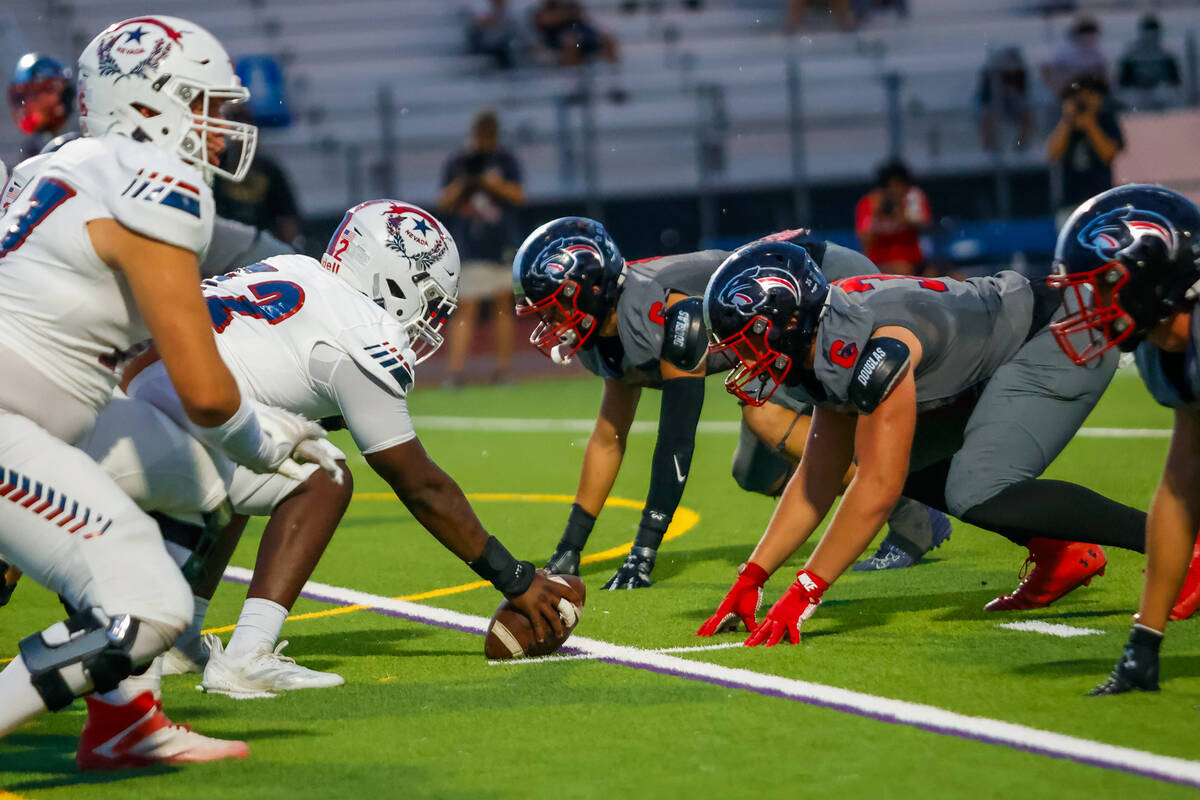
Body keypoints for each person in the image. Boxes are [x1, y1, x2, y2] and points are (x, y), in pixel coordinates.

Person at [71, 200, 576, 766]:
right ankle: (247, 657)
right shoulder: (360, 328)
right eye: (428, 296)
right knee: (321, 473)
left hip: (107, 411)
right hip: (159, 428)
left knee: (261, 446)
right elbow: (419, 484)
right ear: (390, 273)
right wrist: (513, 577)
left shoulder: (291, 270)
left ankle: (182, 637)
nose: (428, 317)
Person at [0, 14, 330, 761]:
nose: (222, 128)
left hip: (51, 414)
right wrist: (268, 434)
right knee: (152, 603)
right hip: (12, 419)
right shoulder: (156, 182)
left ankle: (127, 719)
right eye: (207, 106)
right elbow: (206, 390)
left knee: (202, 486)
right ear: (150, 104)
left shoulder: (66, 161)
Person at [694, 241, 1153, 644]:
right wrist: (752, 576)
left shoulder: (872, 345)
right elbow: (818, 476)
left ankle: (1176, 542)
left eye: (745, 343)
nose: (742, 359)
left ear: (785, 323)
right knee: (887, 452)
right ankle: (1060, 552)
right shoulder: (825, 337)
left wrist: (806, 589)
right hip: (992, 357)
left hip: (1056, 333)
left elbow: (877, 488)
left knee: (976, 488)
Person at [514, 220, 950, 590]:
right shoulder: (606, 330)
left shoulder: (663, 308)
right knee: (755, 471)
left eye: (552, 309)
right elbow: (608, 440)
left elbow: (676, 438)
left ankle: (911, 514)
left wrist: (643, 550)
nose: (547, 324)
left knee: (766, 413)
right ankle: (881, 508)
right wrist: (568, 550)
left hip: (818, 291)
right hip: (771, 335)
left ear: (588, 290)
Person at [1046, 184, 1200, 694]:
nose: (1092, 302)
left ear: (1149, 274)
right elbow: (1180, 491)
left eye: (1103, 284)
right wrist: (1144, 642)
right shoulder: (1169, 348)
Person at [437, 110, 524, 386]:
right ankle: (456, 371)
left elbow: (518, 195)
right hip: (471, 244)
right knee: (467, 306)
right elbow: (444, 201)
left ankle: (502, 371)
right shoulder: (460, 162)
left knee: (502, 304)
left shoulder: (504, 160)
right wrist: (467, 179)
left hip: (500, 242)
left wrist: (490, 182)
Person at [211, 106, 302, 248]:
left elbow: (287, 215)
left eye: (246, 124)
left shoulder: (269, 169)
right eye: (237, 125)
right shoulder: (216, 162)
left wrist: (286, 249)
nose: (242, 135)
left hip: (258, 240)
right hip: (222, 237)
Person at [1045, 76, 1123, 228]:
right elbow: (1052, 153)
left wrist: (1090, 124)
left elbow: (1108, 153)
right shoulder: (1066, 125)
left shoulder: (1106, 121)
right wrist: (1068, 121)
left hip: (1101, 201)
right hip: (1070, 203)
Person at [854, 160, 931, 275]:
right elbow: (865, 242)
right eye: (891, 186)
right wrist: (876, 216)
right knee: (899, 269)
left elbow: (924, 222)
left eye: (900, 185)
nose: (895, 190)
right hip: (879, 263)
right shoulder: (870, 202)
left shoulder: (912, 198)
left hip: (912, 261)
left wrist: (901, 211)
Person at [7, 53, 73, 162]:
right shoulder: (29, 149)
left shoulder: (75, 147)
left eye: (34, 95)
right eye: (19, 98)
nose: (24, 106)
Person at [1117, 15, 1182, 111]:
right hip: (1137, 92)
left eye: (1153, 32)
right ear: (1142, 32)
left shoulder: (1166, 53)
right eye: (1147, 32)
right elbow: (1123, 81)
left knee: (1167, 96)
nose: (1150, 36)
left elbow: (1175, 80)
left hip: (1159, 91)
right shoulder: (1132, 53)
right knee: (1131, 100)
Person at [977, 47, 1032, 151]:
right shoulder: (989, 77)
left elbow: (1023, 99)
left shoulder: (1020, 74)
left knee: (1026, 115)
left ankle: (1021, 147)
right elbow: (984, 104)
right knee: (986, 116)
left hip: (1011, 105)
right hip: (992, 107)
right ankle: (990, 149)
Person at [533, 0, 621, 66]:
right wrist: (568, 14)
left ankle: (613, 74)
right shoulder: (541, 12)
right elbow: (544, 20)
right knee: (572, 42)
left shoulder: (572, 7)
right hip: (559, 43)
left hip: (583, 37)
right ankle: (571, 77)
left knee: (607, 39)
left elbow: (583, 18)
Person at [1041, 15, 1108, 96]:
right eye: (1089, 37)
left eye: (1094, 37)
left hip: (1090, 88)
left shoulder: (1096, 53)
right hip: (1071, 87)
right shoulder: (1065, 52)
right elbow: (1046, 69)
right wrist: (1057, 87)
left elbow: (1102, 72)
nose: (1092, 41)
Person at [467, 0, 530, 70]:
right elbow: (479, 24)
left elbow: (519, 30)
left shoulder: (511, 12)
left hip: (504, 44)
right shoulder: (482, 8)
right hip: (485, 44)